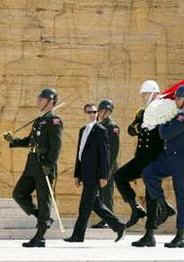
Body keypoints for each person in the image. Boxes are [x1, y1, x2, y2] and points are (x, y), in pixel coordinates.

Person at [132, 85, 184, 248]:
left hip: (183, 161)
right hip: (170, 159)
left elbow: (164, 134)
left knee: (182, 197)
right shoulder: (178, 114)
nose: (176, 100)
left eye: (179, 98)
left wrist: (162, 120)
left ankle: (180, 236)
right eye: (175, 98)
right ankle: (163, 205)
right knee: (149, 173)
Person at [3, 88, 63, 248]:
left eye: (42, 98)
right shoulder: (39, 120)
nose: (38, 101)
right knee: (19, 194)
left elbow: (56, 147)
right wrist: (13, 140)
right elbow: (30, 141)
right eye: (39, 98)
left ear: (50, 102)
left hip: (44, 165)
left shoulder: (54, 120)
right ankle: (43, 218)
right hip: (32, 165)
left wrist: (48, 165)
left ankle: (40, 237)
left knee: (44, 200)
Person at [114, 80, 175, 228]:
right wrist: (139, 127)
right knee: (119, 176)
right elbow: (130, 129)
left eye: (147, 94)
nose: (144, 97)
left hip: (154, 158)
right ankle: (136, 208)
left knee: (150, 194)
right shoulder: (142, 112)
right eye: (143, 94)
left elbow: (167, 135)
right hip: (140, 157)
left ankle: (150, 230)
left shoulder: (163, 112)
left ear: (155, 93)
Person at [64, 104, 125, 242]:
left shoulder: (101, 130)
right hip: (85, 173)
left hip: (95, 174)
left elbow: (105, 154)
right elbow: (79, 154)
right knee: (95, 204)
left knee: (85, 205)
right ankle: (118, 226)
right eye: (88, 112)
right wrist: (77, 174)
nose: (91, 114)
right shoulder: (82, 130)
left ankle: (78, 235)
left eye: (94, 112)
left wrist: (104, 175)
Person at [91, 99, 120, 228]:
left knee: (107, 194)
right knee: (101, 195)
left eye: (106, 111)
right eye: (102, 110)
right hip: (98, 165)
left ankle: (110, 221)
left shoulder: (113, 127)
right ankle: (105, 219)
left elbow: (114, 150)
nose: (103, 113)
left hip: (108, 167)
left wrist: (107, 171)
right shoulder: (98, 125)